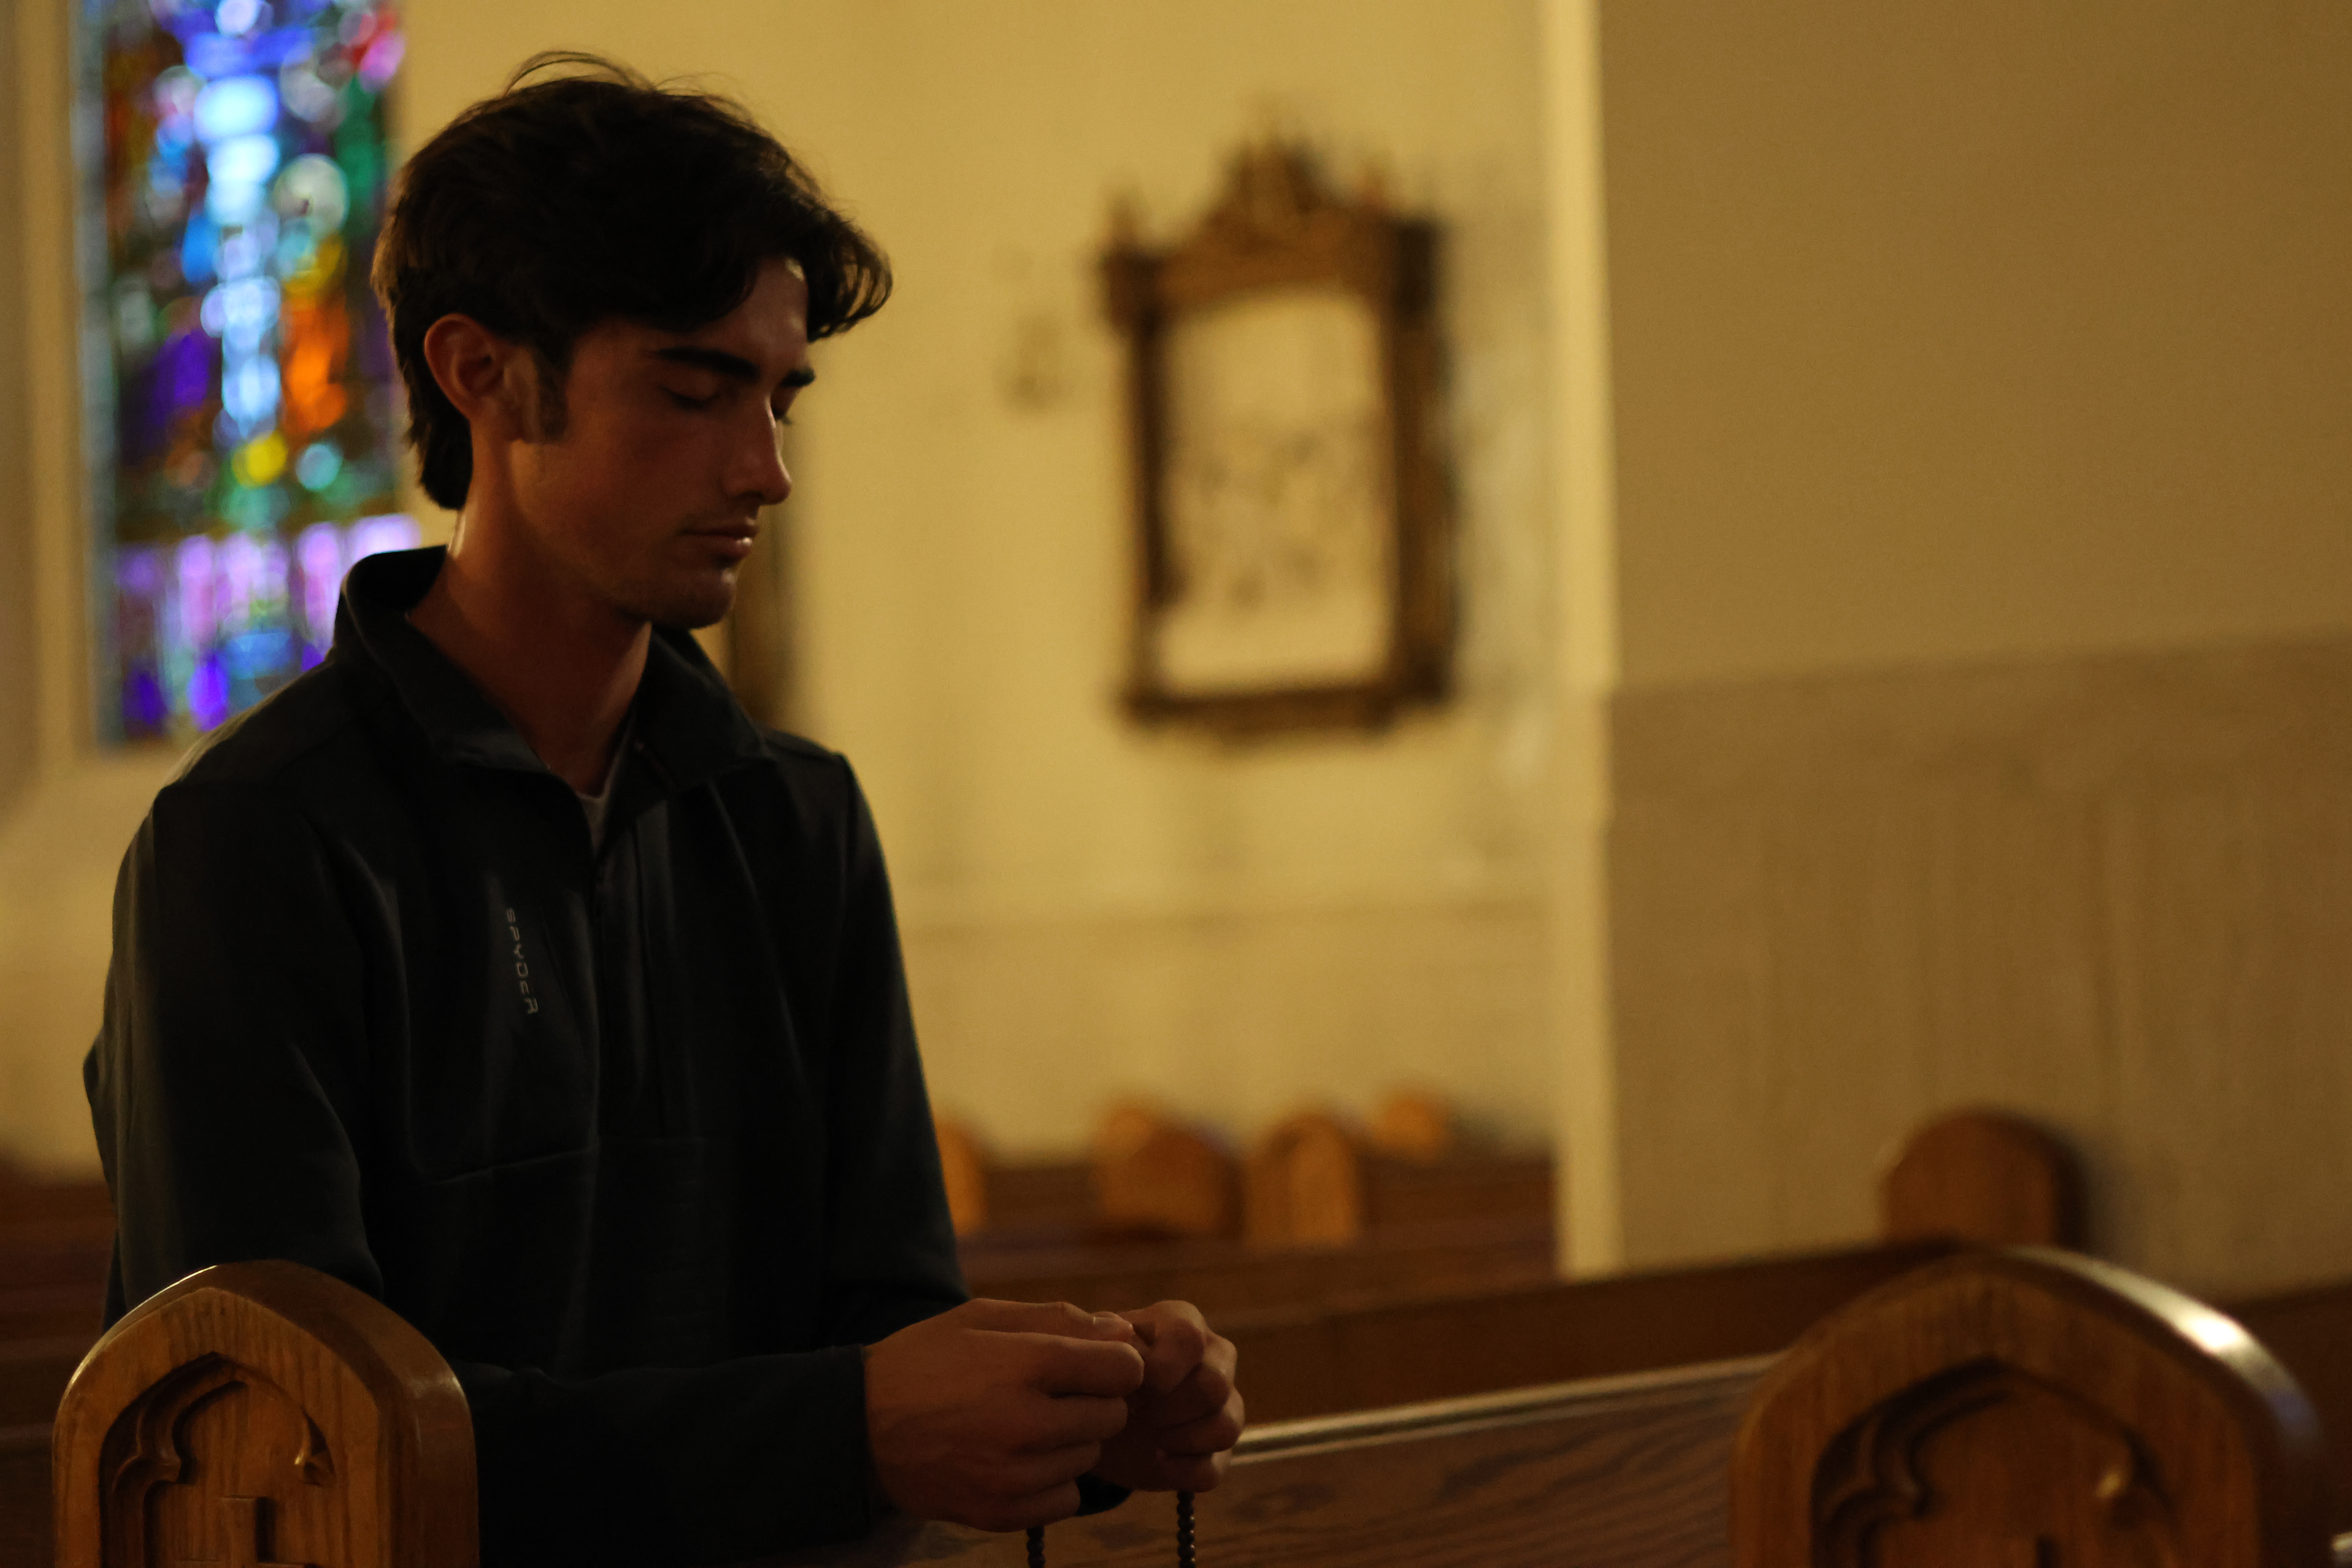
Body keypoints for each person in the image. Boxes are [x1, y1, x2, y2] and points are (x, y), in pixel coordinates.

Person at [83, 54, 1242, 1567]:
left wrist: (1083, 1411)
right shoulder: (256, 843)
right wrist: (850, 1422)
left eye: (779, 395)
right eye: (693, 390)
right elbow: (287, 1443)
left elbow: (879, 1320)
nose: (763, 467)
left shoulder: (794, 816)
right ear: (479, 373)